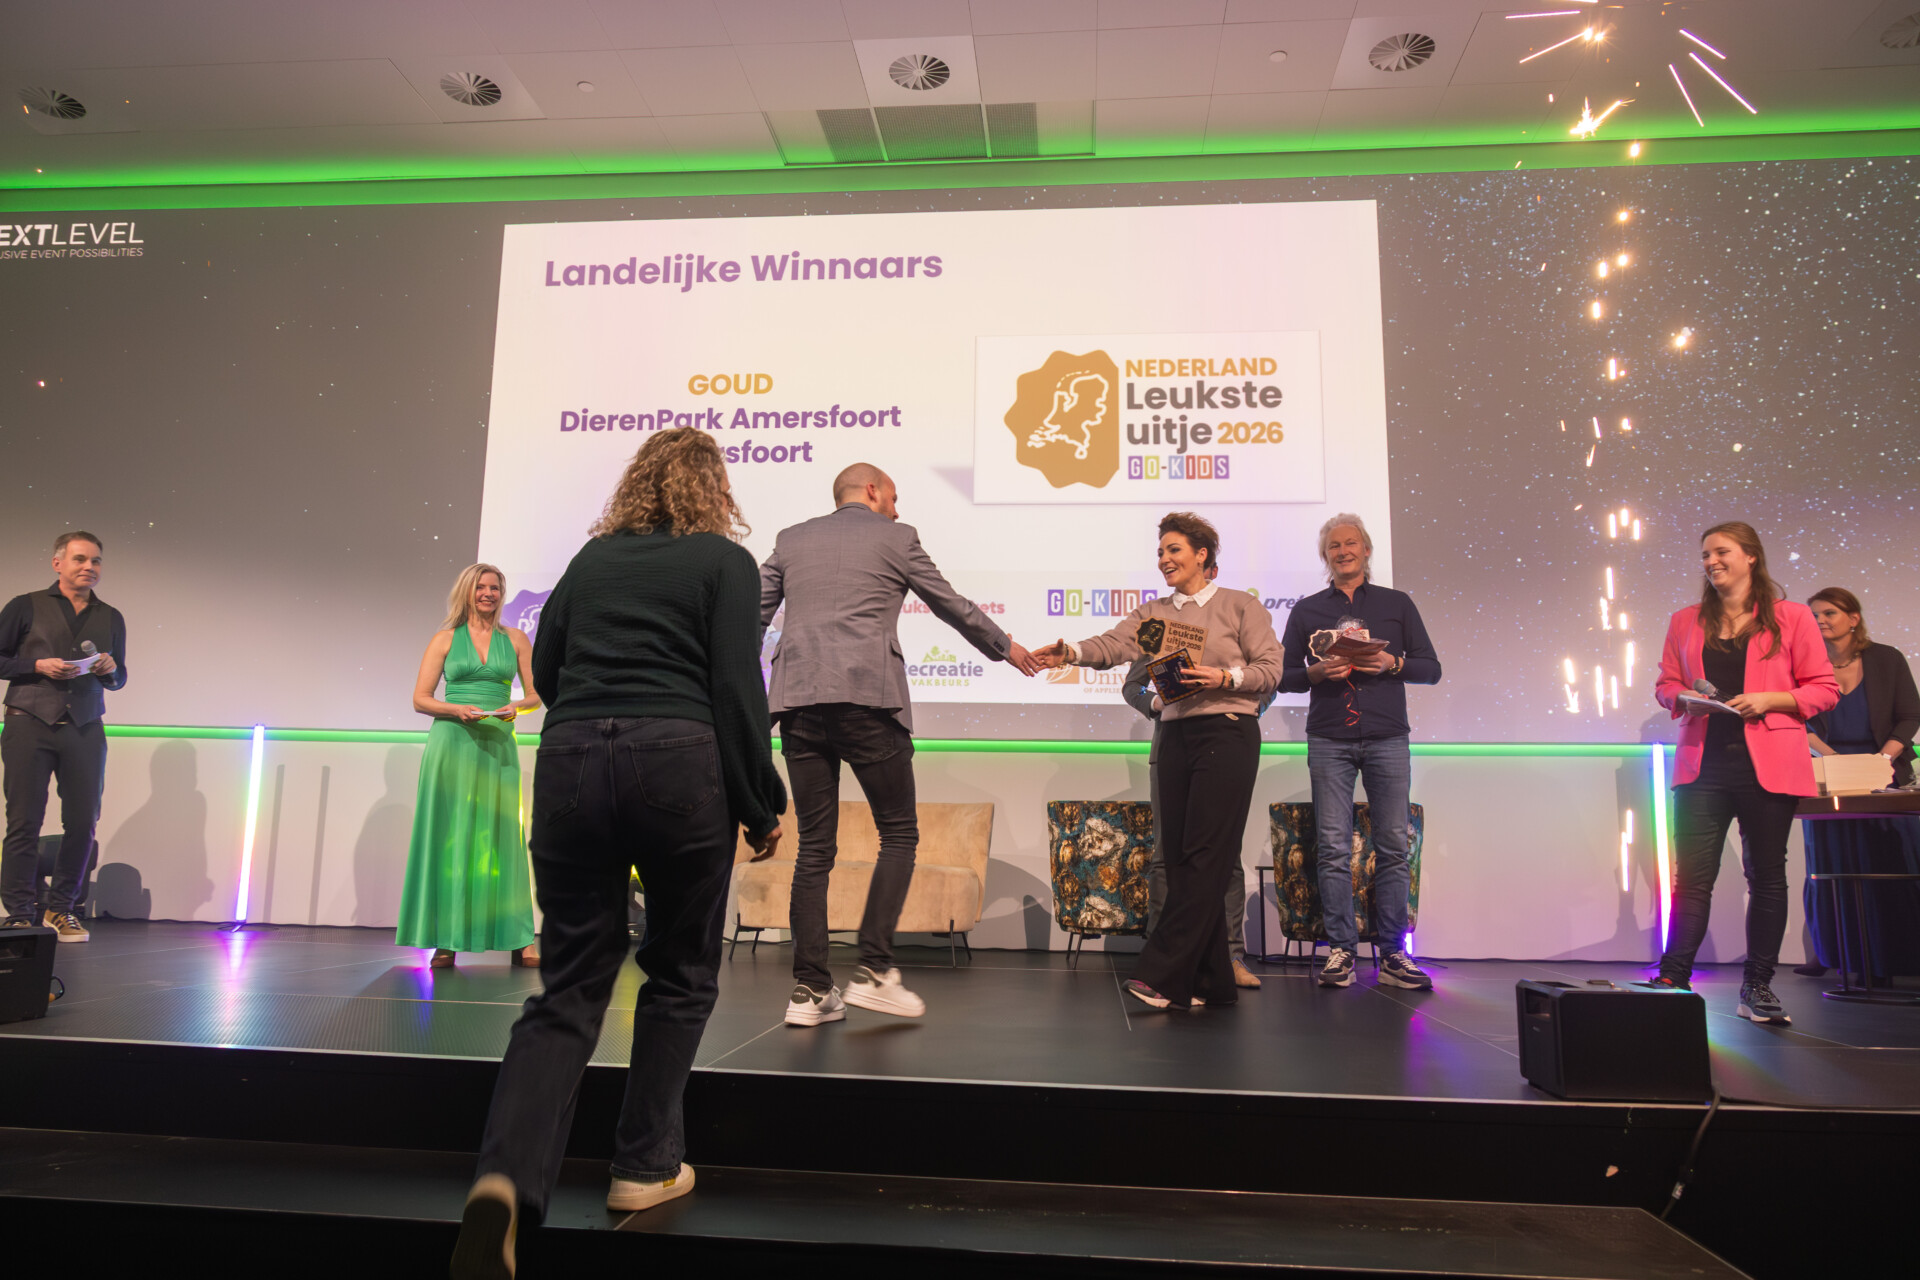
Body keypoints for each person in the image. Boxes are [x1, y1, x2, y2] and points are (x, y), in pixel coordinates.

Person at [452, 428, 787, 1276]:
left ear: (637, 483)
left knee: (570, 984)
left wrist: (594, 726)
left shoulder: (593, 558)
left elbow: (550, 663)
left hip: (570, 757)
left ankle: (503, 1180)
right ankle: (643, 1167)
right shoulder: (725, 562)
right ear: (714, 489)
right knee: (679, 971)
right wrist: (761, 802)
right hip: (678, 758)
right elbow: (735, 687)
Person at [762, 462, 1040, 1027]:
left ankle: (810, 991)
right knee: (899, 832)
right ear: (872, 491)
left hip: (797, 703)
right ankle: (873, 969)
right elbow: (948, 603)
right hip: (867, 700)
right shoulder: (898, 537)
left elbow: (748, 618)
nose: (897, 507)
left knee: (814, 848)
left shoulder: (791, 539)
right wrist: (1004, 646)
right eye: (894, 495)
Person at [1035, 512, 1282, 1010]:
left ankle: (1163, 975)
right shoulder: (1154, 615)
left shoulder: (1241, 605)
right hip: (1174, 736)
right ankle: (1210, 980)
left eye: (1174, 550)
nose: (1164, 560)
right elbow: (1114, 645)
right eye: (1161, 552)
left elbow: (1271, 669)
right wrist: (1070, 652)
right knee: (1182, 858)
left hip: (1227, 732)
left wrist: (1224, 679)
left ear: (1201, 555)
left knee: (1206, 857)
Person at [1646, 522, 1837, 1024]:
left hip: (1768, 766)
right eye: (1705, 554)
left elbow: (1824, 688)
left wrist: (1771, 699)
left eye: (1721, 551)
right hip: (1702, 765)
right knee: (1692, 879)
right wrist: (1683, 697)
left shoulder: (1792, 617)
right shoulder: (1685, 620)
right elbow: (1666, 683)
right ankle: (1672, 977)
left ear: (1751, 556)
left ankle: (1758, 986)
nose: (1711, 561)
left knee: (1767, 877)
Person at [1277, 515, 1441, 992]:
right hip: (1329, 738)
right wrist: (1314, 674)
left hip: (1388, 736)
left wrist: (1393, 663)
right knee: (1332, 848)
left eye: (1351, 543)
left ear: (1366, 550)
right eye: (1334, 545)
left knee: (1393, 847)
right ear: (1325, 555)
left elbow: (1431, 669)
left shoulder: (1396, 603)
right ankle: (1341, 951)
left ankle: (1393, 954)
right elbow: (1282, 676)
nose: (1343, 551)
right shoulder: (1307, 610)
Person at [1122, 581, 1266, 991]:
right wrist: (1157, 702)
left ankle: (1229, 956)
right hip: (1170, 748)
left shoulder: (1235, 617)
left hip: (1222, 742)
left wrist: (1234, 694)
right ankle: (1164, 955)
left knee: (1222, 857)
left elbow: (1265, 680)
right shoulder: (1160, 625)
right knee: (1167, 856)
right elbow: (1133, 687)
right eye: (1163, 553)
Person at [398, 564, 542, 969]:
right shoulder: (445, 639)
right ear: (467, 592)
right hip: (451, 743)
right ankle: (447, 938)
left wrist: (517, 706)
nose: (488, 593)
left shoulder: (516, 639)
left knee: (503, 836)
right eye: (481, 587)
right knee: (452, 834)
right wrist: (456, 709)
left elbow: (536, 695)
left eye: (495, 587)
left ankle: (519, 938)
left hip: (498, 742)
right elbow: (420, 698)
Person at [1, 532, 127, 941]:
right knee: (24, 820)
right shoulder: (25, 605)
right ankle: (19, 912)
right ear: (58, 563)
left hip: (85, 727)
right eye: (80, 559)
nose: (89, 567)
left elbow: (119, 679)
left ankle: (61, 908)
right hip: (28, 723)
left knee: (83, 821)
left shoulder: (111, 616)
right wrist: (37, 665)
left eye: (96, 561)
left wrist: (110, 670)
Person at [1797, 587, 1920, 980]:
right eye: (1813, 615)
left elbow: (1910, 714)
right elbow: (1797, 721)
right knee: (1828, 865)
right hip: (1827, 773)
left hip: (1885, 772)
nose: (1820, 621)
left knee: (1889, 861)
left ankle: (1894, 958)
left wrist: (1881, 760)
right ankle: (1832, 953)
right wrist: (1833, 760)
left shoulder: (1886, 658)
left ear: (1853, 618)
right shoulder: (1802, 664)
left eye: (1829, 613)